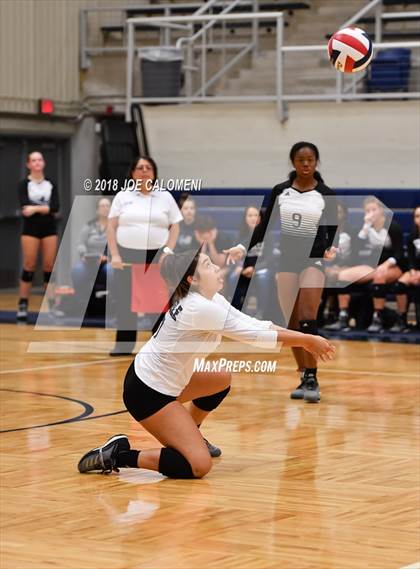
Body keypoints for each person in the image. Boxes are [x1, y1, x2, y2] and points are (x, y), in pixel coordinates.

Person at [78, 250, 335, 479]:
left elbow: (256, 325)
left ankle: (192, 433)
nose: (216, 267)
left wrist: (305, 340)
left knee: (220, 378)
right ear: (193, 280)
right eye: (209, 265)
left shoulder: (211, 299)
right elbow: (255, 336)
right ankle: (118, 455)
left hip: (160, 379)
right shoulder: (198, 307)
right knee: (197, 465)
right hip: (147, 393)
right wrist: (306, 340)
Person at [225, 142, 338, 403]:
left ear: (316, 162)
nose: (306, 164)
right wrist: (243, 246)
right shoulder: (280, 191)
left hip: (313, 260)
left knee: (309, 318)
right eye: (301, 160)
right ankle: (305, 375)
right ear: (293, 163)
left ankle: (312, 378)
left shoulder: (326, 194)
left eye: (310, 160)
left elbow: (332, 230)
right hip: (286, 261)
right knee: (291, 322)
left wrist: (332, 247)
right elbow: (263, 226)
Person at [107, 156, 183, 355]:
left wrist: (168, 251)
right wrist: (114, 255)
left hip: (157, 256)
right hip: (126, 255)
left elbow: (175, 226)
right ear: (132, 173)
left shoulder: (165, 196)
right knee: (125, 301)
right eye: (139, 167)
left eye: (148, 167)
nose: (144, 171)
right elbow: (111, 227)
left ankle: (160, 345)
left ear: (154, 173)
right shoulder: (123, 196)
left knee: (157, 302)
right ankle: (123, 345)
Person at [334, 196, 404, 333]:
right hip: (373, 266)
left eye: (374, 209)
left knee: (379, 275)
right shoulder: (366, 226)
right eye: (367, 210)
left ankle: (377, 318)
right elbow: (357, 248)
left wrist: (387, 264)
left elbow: (399, 254)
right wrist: (365, 227)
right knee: (343, 275)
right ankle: (343, 317)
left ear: (381, 211)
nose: (370, 213)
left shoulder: (392, 226)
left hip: (394, 266)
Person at [17, 151, 60, 322]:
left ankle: (50, 305)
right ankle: (23, 303)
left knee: (49, 266)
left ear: (43, 163)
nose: (37, 162)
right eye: (33, 160)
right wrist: (45, 208)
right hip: (30, 229)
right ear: (28, 164)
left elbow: (56, 207)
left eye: (40, 159)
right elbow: (24, 207)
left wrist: (35, 208)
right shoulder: (23, 184)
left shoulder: (51, 183)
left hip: (49, 227)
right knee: (29, 265)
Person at [227, 205, 274, 318]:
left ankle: (261, 313)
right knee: (233, 277)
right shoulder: (240, 235)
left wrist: (254, 268)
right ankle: (236, 311)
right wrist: (241, 267)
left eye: (256, 215)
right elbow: (236, 257)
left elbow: (269, 259)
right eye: (250, 215)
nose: (253, 218)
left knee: (262, 278)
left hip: (261, 268)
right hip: (244, 268)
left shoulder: (267, 235)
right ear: (245, 218)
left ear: (261, 218)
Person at [323, 201, 358, 330]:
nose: (336, 215)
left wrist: (343, 266)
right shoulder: (324, 231)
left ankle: (339, 314)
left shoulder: (352, 231)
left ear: (345, 214)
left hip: (348, 266)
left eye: (339, 212)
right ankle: (325, 313)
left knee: (336, 275)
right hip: (329, 265)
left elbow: (356, 254)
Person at [71, 197, 112, 300]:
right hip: (89, 260)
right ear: (97, 210)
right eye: (102, 206)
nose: (105, 208)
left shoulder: (115, 226)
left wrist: (108, 257)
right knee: (78, 270)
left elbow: (118, 245)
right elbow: (80, 243)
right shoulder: (89, 225)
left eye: (108, 206)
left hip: (107, 261)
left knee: (110, 271)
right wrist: (83, 254)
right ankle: (82, 302)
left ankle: (111, 301)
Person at [390, 205, 420, 332]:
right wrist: (413, 271)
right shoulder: (412, 236)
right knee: (400, 285)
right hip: (416, 270)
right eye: (418, 216)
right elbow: (411, 258)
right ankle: (401, 318)